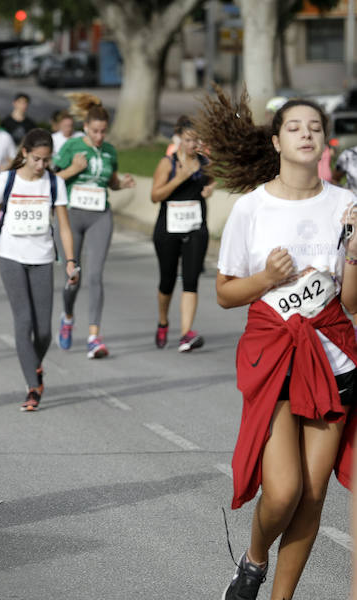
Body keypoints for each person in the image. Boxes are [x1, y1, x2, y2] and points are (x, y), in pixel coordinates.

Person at [204, 89, 357, 600]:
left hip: (333, 355)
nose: (306, 133)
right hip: (274, 356)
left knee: (312, 496)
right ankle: (253, 559)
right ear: (276, 141)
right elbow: (226, 293)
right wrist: (267, 276)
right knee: (284, 490)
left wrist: (354, 254)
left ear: (325, 139)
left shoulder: (345, 206)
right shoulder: (252, 209)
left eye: (314, 126)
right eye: (295, 127)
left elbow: (352, 302)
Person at [0, 129, 77, 411]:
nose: (41, 165)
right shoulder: (7, 180)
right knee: (23, 322)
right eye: (37, 159)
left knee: (44, 332)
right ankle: (33, 387)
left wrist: (71, 261)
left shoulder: (53, 183)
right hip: (11, 256)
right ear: (24, 153)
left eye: (46, 160)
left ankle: (33, 366)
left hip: (43, 258)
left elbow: (63, 226)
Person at [53, 93, 135, 359]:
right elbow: (51, 180)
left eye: (103, 132)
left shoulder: (109, 151)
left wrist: (122, 183)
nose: (99, 136)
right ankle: (67, 318)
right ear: (85, 128)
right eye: (95, 131)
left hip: (100, 214)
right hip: (73, 215)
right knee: (73, 276)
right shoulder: (71, 148)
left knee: (95, 276)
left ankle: (93, 336)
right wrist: (73, 169)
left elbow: (109, 181)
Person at [150, 115, 215, 351]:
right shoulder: (168, 164)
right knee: (167, 281)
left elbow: (214, 180)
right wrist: (179, 178)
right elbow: (155, 196)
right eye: (188, 140)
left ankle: (186, 333)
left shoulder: (204, 162)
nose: (192, 145)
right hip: (168, 229)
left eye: (196, 141)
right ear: (179, 139)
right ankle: (163, 320)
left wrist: (209, 188)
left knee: (191, 280)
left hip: (196, 228)